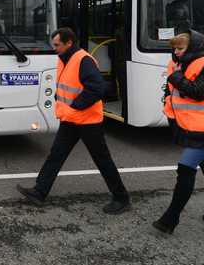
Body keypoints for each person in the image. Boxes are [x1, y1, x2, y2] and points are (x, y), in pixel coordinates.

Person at [16, 27, 131, 214]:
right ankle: (39, 191)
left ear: (69, 43)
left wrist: (74, 106)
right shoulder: (65, 58)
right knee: (56, 155)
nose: (54, 48)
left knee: (102, 160)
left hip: (86, 121)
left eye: (57, 45)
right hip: (70, 119)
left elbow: (95, 89)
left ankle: (121, 197)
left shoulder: (83, 60)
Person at [152, 30, 204, 234]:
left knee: (186, 169)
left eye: (180, 48)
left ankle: (170, 219)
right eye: (174, 48)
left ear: (194, 48)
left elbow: (198, 93)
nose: (176, 51)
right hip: (190, 125)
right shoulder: (180, 65)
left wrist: (177, 77)